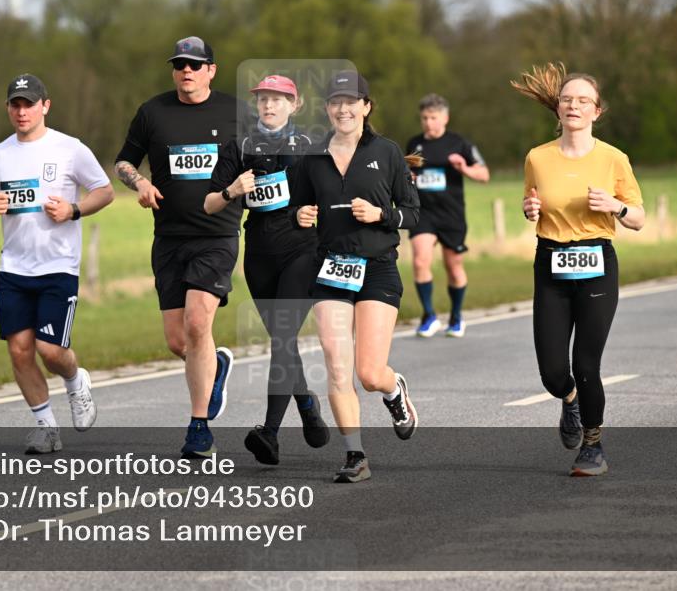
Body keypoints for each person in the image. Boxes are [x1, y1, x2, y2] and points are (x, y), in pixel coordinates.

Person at [512, 62, 645, 477]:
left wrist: (617, 207)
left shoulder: (613, 159)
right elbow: (531, 202)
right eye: (567, 99)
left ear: (596, 111)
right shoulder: (538, 157)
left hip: (596, 262)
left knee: (586, 363)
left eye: (583, 100)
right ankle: (568, 399)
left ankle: (593, 444)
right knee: (553, 370)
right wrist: (529, 208)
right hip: (550, 262)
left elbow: (638, 217)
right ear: (558, 109)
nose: (574, 105)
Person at [0, 74, 114, 454]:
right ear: (7, 108)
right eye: (15, 104)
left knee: (50, 350)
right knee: (19, 350)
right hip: (14, 268)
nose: (21, 111)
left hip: (58, 266)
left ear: (45, 106)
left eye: (29, 104)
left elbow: (105, 190)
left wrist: (74, 209)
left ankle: (75, 381)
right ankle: (46, 427)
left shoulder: (70, 149)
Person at [290, 71, 421, 483]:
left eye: (352, 101)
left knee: (368, 373)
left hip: (378, 268)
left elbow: (414, 213)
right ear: (327, 108)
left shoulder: (387, 152)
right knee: (335, 363)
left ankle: (393, 388)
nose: (343, 108)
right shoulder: (312, 157)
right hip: (331, 268)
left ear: (366, 106)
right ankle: (354, 455)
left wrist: (382, 215)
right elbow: (297, 207)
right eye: (335, 101)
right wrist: (300, 215)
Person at [114, 37, 241, 459]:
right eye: (179, 64)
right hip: (169, 238)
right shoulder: (153, 112)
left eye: (194, 64)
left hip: (217, 235)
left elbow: (267, 161)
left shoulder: (235, 112)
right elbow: (123, 161)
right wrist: (141, 182)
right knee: (178, 340)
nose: (186, 70)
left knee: (197, 321)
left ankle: (199, 426)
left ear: (211, 70)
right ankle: (215, 365)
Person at [204, 74, 329, 465]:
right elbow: (208, 203)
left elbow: (337, 196)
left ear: (295, 106)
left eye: (278, 100)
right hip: (259, 253)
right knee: (283, 339)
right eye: (262, 100)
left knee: (282, 335)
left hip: (302, 251)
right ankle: (307, 402)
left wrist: (317, 212)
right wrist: (232, 191)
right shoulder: (238, 147)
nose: (269, 106)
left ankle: (270, 433)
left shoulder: (312, 147)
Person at [406, 94, 489, 338]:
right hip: (424, 213)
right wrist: (408, 178)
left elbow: (484, 175)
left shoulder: (459, 143)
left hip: (451, 214)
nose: (428, 123)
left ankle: (455, 316)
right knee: (421, 260)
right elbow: (405, 173)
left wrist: (464, 168)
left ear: (445, 118)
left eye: (433, 117)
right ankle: (429, 315)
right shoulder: (414, 143)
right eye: (424, 118)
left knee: (453, 267)